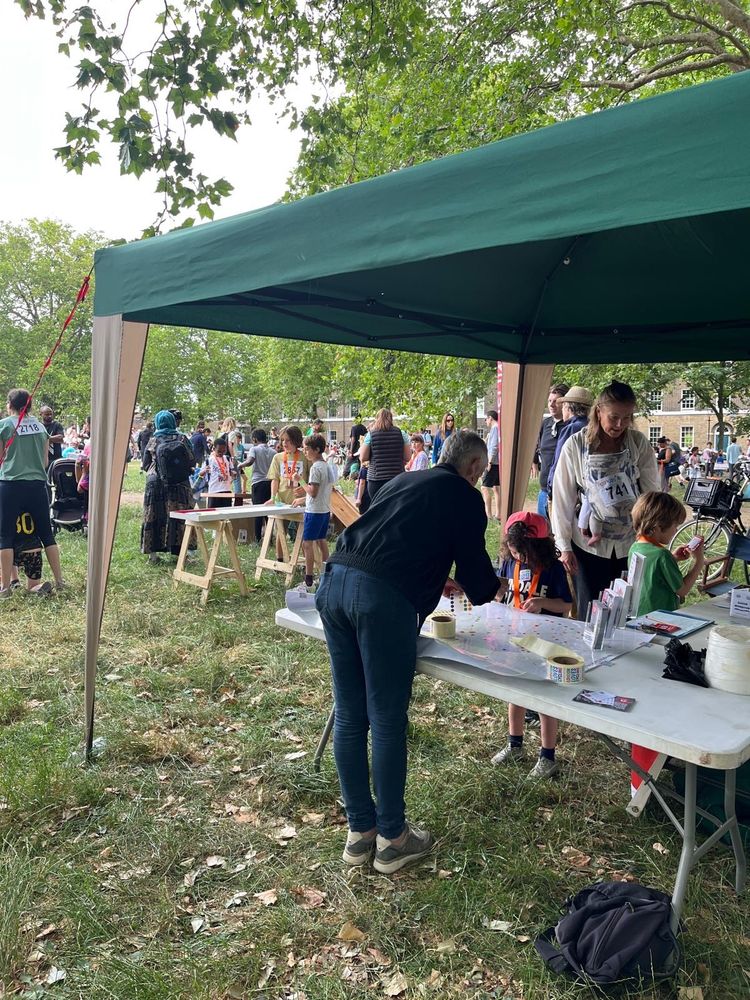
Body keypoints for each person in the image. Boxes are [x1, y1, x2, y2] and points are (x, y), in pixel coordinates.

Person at [315, 430, 502, 873]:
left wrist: (434, 573)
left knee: (348, 713)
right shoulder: (464, 496)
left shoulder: (403, 479)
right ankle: (394, 838)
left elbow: (388, 536)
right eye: (482, 469)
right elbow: (478, 578)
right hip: (380, 603)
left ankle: (359, 832)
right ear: (474, 467)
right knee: (385, 719)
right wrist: (491, 587)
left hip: (335, 581)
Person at [550, 380, 661, 618]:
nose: (620, 424)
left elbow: (652, 496)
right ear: (598, 411)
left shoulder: (638, 443)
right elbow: (562, 498)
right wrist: (564, 546)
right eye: (614, 417)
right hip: (587, 547)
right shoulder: (576, 445)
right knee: (590, 614)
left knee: (627, 614)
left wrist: (652, 539)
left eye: (627, 417)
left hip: (630, 546)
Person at [491, 512, 572, 778]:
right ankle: (515, 744)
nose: (517, 558)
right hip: (515, 640)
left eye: (522, 554)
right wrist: (498, 591)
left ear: (539, 548)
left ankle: (548, 756)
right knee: (515, 693)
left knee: (543, 699)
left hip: (546, 643)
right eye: (513, 552)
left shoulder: (554, 569)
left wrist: (542, 603)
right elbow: (504, 587)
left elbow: (567, 605)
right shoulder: (508, 563)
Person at [0, 389, 64, 595]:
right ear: (30, 406)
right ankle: (59, 580)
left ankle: (6, 587)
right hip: (38, 486)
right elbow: (46, 461)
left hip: (10, 485)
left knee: (5, 536)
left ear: (10, 404)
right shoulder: (39, 426)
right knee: (46, 533)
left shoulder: (5, 425)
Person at [629, 492, 705, 615]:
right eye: (675, 525)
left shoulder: (635, 546)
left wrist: (674, 558)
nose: (676, 530)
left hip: (640, 614)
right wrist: (699, 561)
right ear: (658, 527)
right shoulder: (662, 555)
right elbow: (683, 590)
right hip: (662, 617)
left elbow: (652, 572)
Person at [141, 410, 195, 563]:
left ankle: (153, 556)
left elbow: (145, 464)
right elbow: (192, 461)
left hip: (155, 483)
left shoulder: (153, 440)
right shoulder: (182, 438)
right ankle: (182, 555)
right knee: (180, 517)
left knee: (154, 516)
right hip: (180, 485)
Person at [293, 433, 336, 588]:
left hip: (314, 512)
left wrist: (300, 481)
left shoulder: (315, 468)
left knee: (307, 544)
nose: (305, 452)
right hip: (324, 509)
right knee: (321, 541)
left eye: (307, 449)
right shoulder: (326, 466)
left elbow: (313, 492)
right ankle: (327, 573)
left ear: (317, 450)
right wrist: (303, 497)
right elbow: (324, 490)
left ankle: (309, 578)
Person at [265, 425, 310, 558]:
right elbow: (275, 479)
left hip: (300, 502)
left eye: (288, 440)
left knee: (302, 533)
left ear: (296, 441)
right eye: (283, 440)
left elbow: (312, 477)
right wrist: (273, 497)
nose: (285, 443)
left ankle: (303, 561)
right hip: (282, 501)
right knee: (280, 531)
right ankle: (279, 560)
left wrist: (306, 486)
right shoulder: (277, 458)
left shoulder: (305, 457)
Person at [547, 386, 593, 495]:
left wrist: (551, 488)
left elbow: (559, 462)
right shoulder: (591, 426)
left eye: (563, 406)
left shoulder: (571, 428)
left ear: (568, 407)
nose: (562, 409)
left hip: (569, 490)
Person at [358, 408, 411, 503]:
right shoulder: (401, 433)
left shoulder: (371, 435)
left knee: (377, 509)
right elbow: (407, 457)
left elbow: (363, 457)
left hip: (375, 479)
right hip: (396, 478)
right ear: (391, 419)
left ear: (377, 419)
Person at [536, 383, 569, 517]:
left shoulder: (571, 426)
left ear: (565, 403)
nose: (551, 404)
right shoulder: (546, 424)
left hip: (563, 492)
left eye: (556, 401)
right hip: (544, 489)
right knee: (542, 532)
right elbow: (539, 446)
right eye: (550, 401)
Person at [240, 429, 276, 541]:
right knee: (268, 512)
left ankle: (257, 538)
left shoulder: (254, 449)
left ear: (254, 439)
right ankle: (269, 538)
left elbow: (250, 461)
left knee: (258, 511)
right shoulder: (273, 452)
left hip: (258, 483)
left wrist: (240, 465)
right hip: (270, 483)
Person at [10, 513, 52, 597]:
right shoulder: (32, 504)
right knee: (32, 586)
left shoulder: (8, 506)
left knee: (6, 552)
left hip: (13, 551)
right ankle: (37, 588)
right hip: (34, 551)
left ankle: (14, 580)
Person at [481, 409, 500, 520]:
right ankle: (498, 514)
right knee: (496, 488)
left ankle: (488, 514)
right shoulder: (498, 429)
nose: (486, 421)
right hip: (498, 463)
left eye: (486, 419)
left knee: (484, 488)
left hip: (492, 463)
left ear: (490, 418)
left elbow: (493, 447)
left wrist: (489, 462)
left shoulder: (494, 429)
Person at [206, 435, 233, 507]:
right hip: (214, 491)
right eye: (219, 451)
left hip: (226, 490)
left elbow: (231, 470)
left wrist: (233, 473)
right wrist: (205, 471)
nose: (221, 453)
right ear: (214, 449)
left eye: (224, 451)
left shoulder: (227, 458)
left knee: (226, 514)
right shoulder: (209, 460)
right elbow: (201, 474)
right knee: (213, 515)